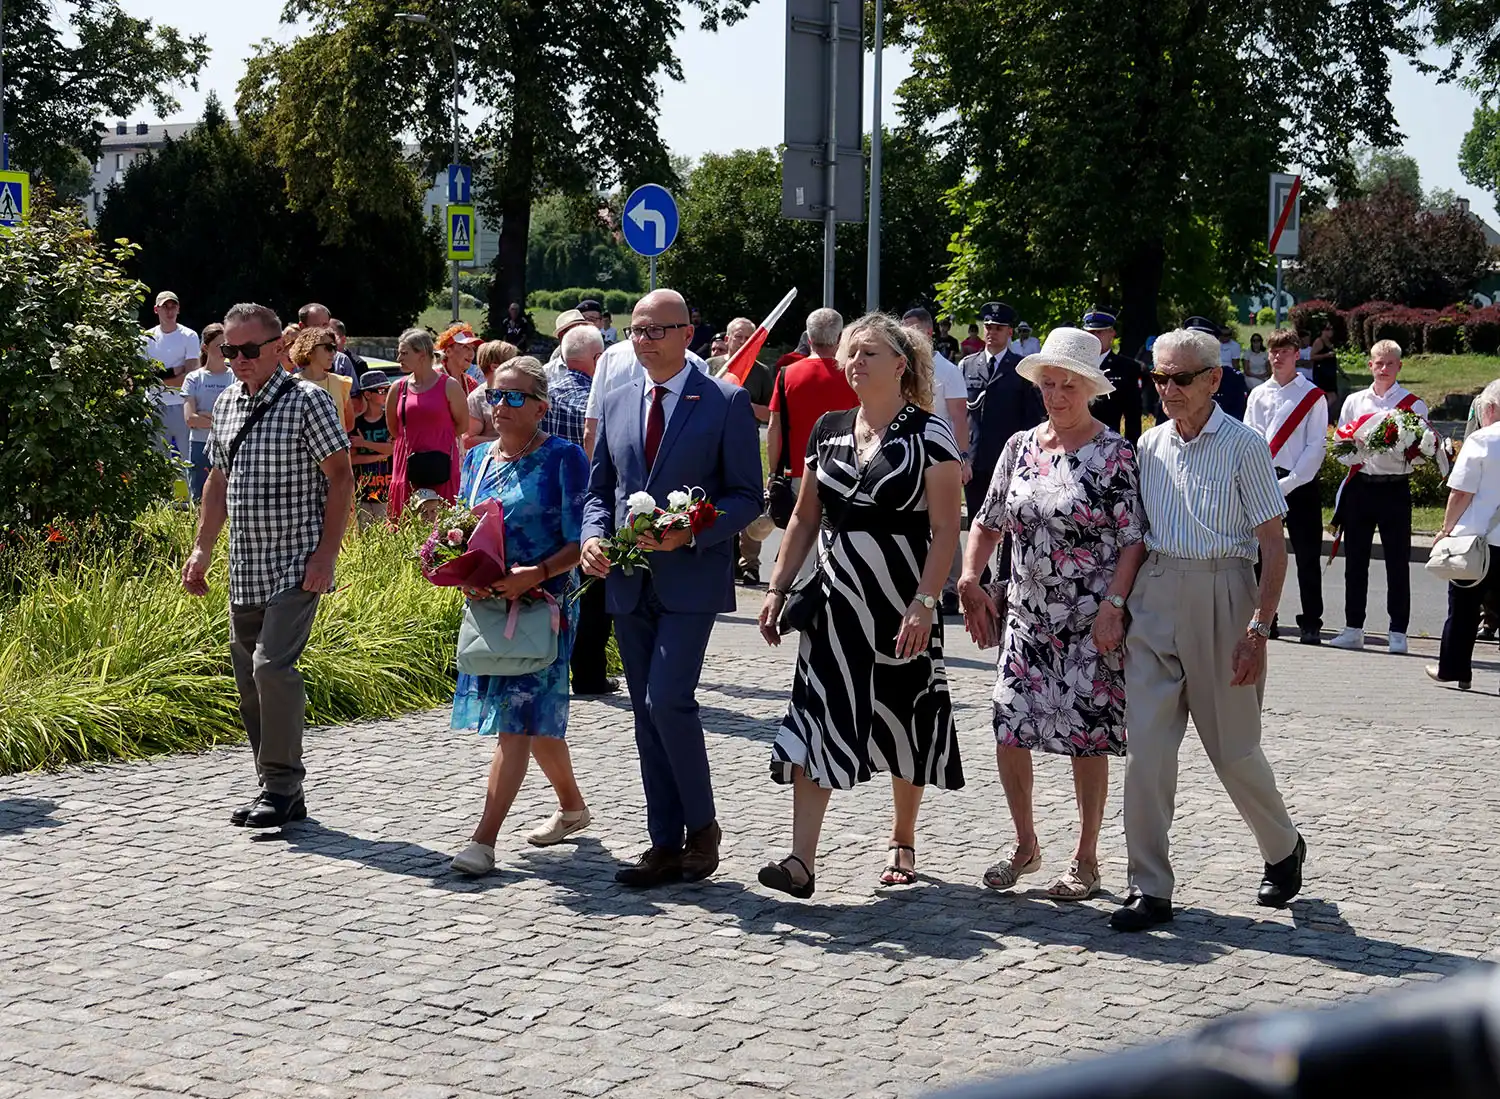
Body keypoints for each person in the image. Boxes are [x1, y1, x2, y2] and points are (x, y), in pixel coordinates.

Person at [755, 312, 965, 898]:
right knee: (816, 712)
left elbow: (947, 528)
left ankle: (902, 837)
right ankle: (802, 861)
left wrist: (926, 603)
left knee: (902, 714)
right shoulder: (828, 427)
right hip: (835, 599)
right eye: (851, 352)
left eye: (870, 352)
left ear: (901, 364)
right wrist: (776, 587)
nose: (856, 362)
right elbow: (804, 516)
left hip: (901, 601)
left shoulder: (930, 433)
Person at [1110, 326, 1305, 932]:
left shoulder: (1243, 445)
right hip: (1157, 597)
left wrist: (1258, 627)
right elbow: (1137, 537)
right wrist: (1117, 602)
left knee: (1235, 751)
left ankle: (1283, 848)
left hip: (1226, 593)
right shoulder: (1149, 446)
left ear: (1215, 379)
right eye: (1159, 377)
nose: (1167, 389)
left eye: (1181, 378)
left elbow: (1274, 546)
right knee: (1145, 750)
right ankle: (1150, 887)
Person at [579, 289, 762, 888]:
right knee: (642, 712)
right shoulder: (617, 396)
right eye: (636, 330)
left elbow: (745, 498)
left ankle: (703, 829)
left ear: (688, 333)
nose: (644, 340)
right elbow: (599, 489)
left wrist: (691, 535)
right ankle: (664, 841)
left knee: (668, 700)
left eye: (657, 330)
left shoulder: (725, 401)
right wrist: (593, 538)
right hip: (628, 582)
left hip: (690, 580)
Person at [959, 327, 1146, 902]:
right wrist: (970, 576)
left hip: (1090, 622)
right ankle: (1026, 845)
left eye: (1068, 385)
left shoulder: (1114, 454)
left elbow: (1134, 540)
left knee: (1086, 737)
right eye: (1048, 384)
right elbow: (989, 521)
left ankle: (1086, 858)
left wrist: (1114, 607)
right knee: (1009, 726)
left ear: (1090, 388)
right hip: (1027, 616)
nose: (1057, 395)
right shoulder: (1019, 447)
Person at [180, 303, 354, 829]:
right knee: (248, 679)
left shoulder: (309, 402)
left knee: (270, 667)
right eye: (229, 350)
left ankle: (281, 785)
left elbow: (342, 479)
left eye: (249, 350)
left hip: (296, 561)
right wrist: (201, 548)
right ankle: (275, 787)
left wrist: (326, 554)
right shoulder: (229, 402)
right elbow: (216, 481)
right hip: (245, 561)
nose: (238, 360)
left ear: (279, 348)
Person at [448, 358, 595, 875]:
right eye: (494, 395)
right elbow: (465, 530)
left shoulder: (564, 458)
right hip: (491, 603)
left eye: (514, 397)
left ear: (541, 406)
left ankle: (482, 841)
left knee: (515, 722)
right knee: (538, 724)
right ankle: (574, 809)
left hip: (544, 606)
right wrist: (464, 569)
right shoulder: (477, 461)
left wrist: (536, 574)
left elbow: (582, 541)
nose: (501, 406)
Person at [1329, 339, 1427, 655]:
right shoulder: (1355, 402)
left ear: (1399, 366)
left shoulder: (1414, 404)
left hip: (1395, 489)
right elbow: (1339, 445)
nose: (1383, 369)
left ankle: (1398, 632)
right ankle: (1353, 628)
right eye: (1378, 363)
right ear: (1370, 364)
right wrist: (1354, 451)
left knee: (1398, 562)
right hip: (1361, 487)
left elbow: (1423, 453)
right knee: (1355, 561)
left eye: (1389, 364)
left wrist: (1408, 451)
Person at [542, 327, 615, 696]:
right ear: (598, 359)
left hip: (544, 506)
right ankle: (588, 673)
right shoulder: (599, 400)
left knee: (551, 589)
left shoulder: (544, 396)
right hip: (589, 509)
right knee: (593, 593)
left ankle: (544, 665)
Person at [1244, 329, 1328, 644]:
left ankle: (1311, 622)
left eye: (1285, 351)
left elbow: (1316, 446)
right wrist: (1261, 481)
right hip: (1264, 481)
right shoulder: (1258, 394)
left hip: (1300, 483)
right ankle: (1266, 617)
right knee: (1262, 554)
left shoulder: (1312, 395)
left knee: (1307, 557)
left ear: (1297, 355)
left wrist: (1289, 483)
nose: (1278, 357)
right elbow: (1250, 440)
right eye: (1274, 351)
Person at [767, 309, 860, 582]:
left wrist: (773, 473)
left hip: (798, 470)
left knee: (802, 538)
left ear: (808, 337)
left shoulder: (787, 375)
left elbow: (774, 428)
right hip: (846, 469)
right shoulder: (853, 375)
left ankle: (802, 595)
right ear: (840, 337)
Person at [1427, 380, 1500, 691]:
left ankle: (1455, 668)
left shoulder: (1482, 440)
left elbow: (1461, 492)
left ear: (1491, 409)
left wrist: (1445, 530)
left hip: (1476, 540)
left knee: (1463, 607)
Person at [903, 307, 973, 612]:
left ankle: (950, 589)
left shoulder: (948, 371)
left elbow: (959, 417)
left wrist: (963, 459)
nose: (907, 335)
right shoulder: (900, 367)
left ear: (929, 333)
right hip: (906, 455)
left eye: (914, 329)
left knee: (945, 523)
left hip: (940, 457)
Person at [963, 301, 1045, 522]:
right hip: (975, 461)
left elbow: (1031, 419)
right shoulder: (967, 366)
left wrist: (1028, 461)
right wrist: (963, 456)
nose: (992, 332)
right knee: (975, 524)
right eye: (989, 327)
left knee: (1009, 527)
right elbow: (961, 416)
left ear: (1010, 331)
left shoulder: (1022, 369)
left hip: (1009, 459)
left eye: (999, 328)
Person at [709, 317, 776, 586]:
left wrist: (740, 403)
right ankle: (717, 561)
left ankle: (750, 564)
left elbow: (771, 414)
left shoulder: (761, 372)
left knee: (749, 504)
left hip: (746, 446)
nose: (744, 342)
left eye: (750, 337)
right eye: (739, 337)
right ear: (726, 339)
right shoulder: (712, 366)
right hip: (711, 446)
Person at [386, 328, 467, 522]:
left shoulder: (449, 385)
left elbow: (463, 425)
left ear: (421, 354)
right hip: (408, 466)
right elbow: (393, 428)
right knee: (406, 523)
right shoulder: (398, 388)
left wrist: (437, 438)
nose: (399, 358)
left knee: (446, 529)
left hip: (442, 466)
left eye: (404, 353)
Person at [143, 290, 198, 464]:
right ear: (156, 310)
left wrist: (157, 378)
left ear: (178, 309)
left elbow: (189, 377)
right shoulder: (145, 338)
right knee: (157, 463)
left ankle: (192, 493)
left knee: (187, 462)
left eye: (173, 306)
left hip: (182, 405)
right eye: (164, 307)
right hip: (154, 406)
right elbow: (143, 377)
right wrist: (174, 371)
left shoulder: (189, 336)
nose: (169, 311)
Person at [182, 323, 234, 505]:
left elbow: (238, 417)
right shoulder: (194, 378)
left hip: (228, 445)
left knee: (228, 501)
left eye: (226, 345)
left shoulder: (235, 377)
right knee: (199, 500)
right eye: (218, 346)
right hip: (199, 444)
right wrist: (219, 420)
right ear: (205, 347)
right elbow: (190, 419)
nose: (223, 350)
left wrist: (206, 417)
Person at [1083, 309, 1143, 443]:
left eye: (1099, 332)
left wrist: (1131, 451)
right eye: (1090, 333)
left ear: (1112, 333)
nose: (1094, 337)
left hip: (1108, 445)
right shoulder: (1074, 364)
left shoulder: (1127, 367)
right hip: (1072, 443)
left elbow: (1133, 416)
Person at [349, 369, 396, 518]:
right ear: (367, 394)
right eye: (382, 390)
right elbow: (352, 459)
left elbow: (394, 449)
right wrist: (381, 455)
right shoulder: (356, 424)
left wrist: (364, 443)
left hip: (388, 491)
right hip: (362, 492)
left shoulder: (391, 421)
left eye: (389, 390)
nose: (387, 394)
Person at [289, 326, 355, 431]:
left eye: (334, 348)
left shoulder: (341, 383)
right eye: (328, 347)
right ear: (309, 347)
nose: (333, 353)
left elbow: (349, 425)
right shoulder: (290, 385)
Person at [1185, 316, 1249, 421]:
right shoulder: (1173, 379)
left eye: (1201, 343)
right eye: (1190, 343)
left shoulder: (1233, 379)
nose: (1195, 349)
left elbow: (1237, 422)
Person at [464, 340, 520, 450]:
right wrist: (506, 441)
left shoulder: (518, 392)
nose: (518, 367)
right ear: (495, 367)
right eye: (512, 364)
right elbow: (468, 440)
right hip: (491, 461)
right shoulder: (477, 398)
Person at [297, 303, 361, 395]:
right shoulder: (287, 361)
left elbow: (356, 402)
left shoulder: (341, 360)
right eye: (316, 326)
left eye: (325, 325)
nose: (322, 331)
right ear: (302, 327)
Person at [437, 323, 484, 392]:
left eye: (473, 348)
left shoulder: (471, 384)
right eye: (465, 347)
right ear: (448, 352)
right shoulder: (433, 380)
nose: (471, 354)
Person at [1309, 321, 1340, 417]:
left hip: (1330, 372)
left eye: (1331, 329)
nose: (1331, 331)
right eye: (1328, 329)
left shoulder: (1330, 342)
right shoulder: (1319, 341)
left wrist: (1342, 372)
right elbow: (1312, 356)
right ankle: (1321, 414)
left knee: (1331, 396)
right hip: (1322, 372)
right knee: (1332, 396)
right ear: (1323, 331)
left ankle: (1323, 414)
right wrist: (1326, 355)